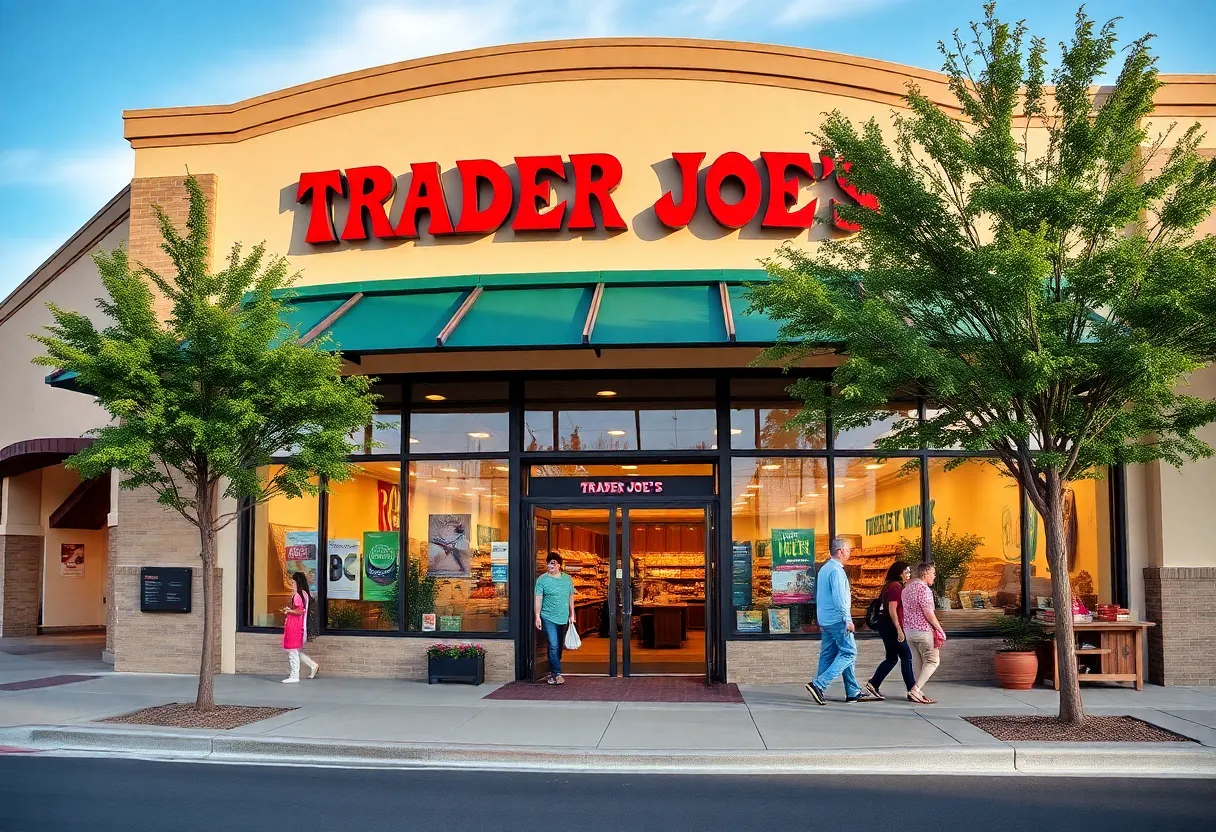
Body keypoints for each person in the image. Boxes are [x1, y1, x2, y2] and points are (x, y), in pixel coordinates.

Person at [806, 538, 876, 705]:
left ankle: (852, 692)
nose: (849, 553)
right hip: (838, 620)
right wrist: (847, 619)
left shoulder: (824, 569)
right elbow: (839, 598)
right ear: (840, 552)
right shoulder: (836, 571)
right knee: (849, 652)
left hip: (826, 620)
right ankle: (819, 685)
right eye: (848, 550)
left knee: (828, 654)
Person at [863, 561, 916, 701]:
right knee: (906, 656)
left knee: (892, 658)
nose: (909, 575)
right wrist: (898, 629)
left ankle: (874, 683)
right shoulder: (895, 587)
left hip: (885, 625)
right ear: (899, 573)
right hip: (891, 626)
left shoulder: (890, 585)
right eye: (906, 572)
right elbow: (892, 609)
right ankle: (912, 690)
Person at [901, 562, 945, 704]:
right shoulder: (924, 589)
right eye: (933, 573)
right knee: (933, 661)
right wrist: (939, 629)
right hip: (923, 631)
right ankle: (915, 690)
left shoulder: (906, 589)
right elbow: (928, 613)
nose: (934, 576)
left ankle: (917, 691)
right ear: (925, 573)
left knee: (918, 663)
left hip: (909, 631)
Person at [534, 552, 576, 685]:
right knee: (553, 645)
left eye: (553, 563)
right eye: (548, 563)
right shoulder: (542, 580)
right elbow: (538, 599)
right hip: (547, 617)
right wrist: (537, 616)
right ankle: (556, 674)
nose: (550, 566)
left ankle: (553, 671)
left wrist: (572, 614)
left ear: (559, 565)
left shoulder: (567, 579)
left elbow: (570, 597)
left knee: (558, 646)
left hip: (563, 617)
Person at [282, 571, 319, 684]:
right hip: (301, 626)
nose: (292, 585)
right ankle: (312, 665)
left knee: (292, 651)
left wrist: (288, 610)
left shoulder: (298, 596)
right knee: (294, 650)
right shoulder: (304, 594)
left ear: (297, 583)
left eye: (293, 582)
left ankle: (294, 675)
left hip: (295, 626)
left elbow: (299, 611)